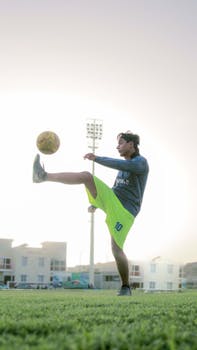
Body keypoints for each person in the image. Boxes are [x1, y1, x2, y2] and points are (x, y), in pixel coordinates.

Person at [33, 131, 149, 296]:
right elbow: (116, 188)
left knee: (116, 249)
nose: (118, 146)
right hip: (113, 199)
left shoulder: (141, 163)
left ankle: (125, 286)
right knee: (86, 176)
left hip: (125, 211)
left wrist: (98, 158)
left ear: (131, 145)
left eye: (121, 143)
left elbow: (122, 165)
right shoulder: (124, 168)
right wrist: (96, 203)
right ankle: (43, 176)